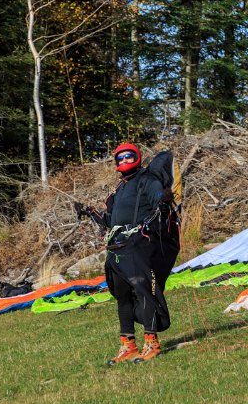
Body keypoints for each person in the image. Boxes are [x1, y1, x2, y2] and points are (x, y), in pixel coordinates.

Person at [76, 143, 179, 364]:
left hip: (139, 247)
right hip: (117, 248)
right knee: (122, 296)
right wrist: (89, 212)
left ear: (137, 157)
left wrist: (164, 199)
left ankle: (152, 342)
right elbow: (110, 221)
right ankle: (128, 345)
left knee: (143, 292)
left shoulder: (147, 180)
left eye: (128, 156)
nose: (124, 161)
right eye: (120, 158)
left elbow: (158, 200)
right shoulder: (120, 189)